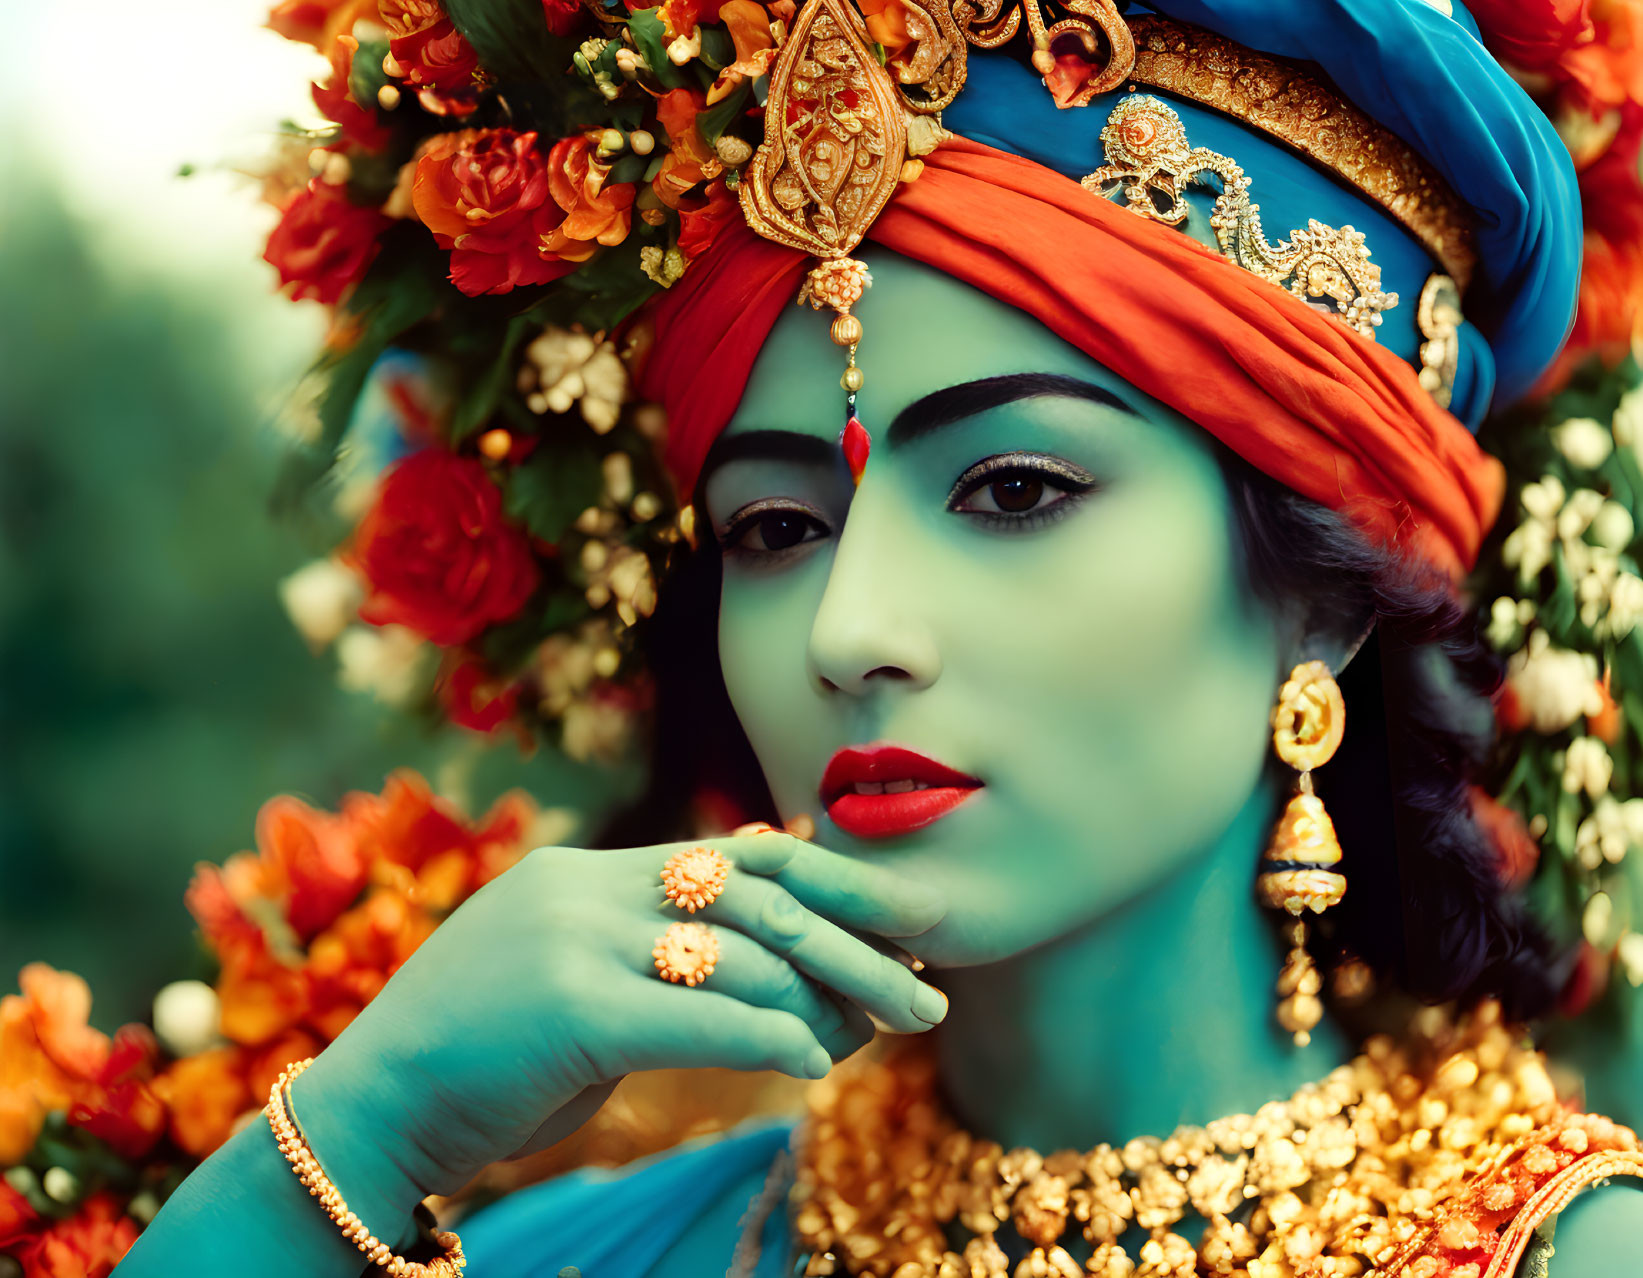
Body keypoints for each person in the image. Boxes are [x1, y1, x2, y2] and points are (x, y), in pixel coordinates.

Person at [113, 1, 1643, 1275]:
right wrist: (369, 1128)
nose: (848, 630)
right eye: (775, 529)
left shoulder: (1559, 1252)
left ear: (1324, 592)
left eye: (1016, 486)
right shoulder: (611, 1244)